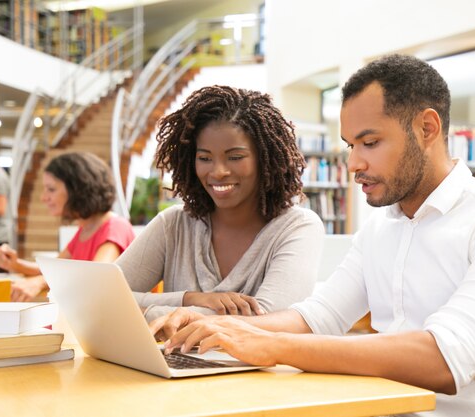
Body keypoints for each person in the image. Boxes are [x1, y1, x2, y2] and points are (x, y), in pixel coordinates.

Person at [150, 55, 475, 417]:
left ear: (427, 128)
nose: (353, 163)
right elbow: (318, 318)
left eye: (370, 143)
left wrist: (266, 343)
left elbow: (445, 360)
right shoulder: (381, 228)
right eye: (349, 145)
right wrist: (214, 328)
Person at [116, 85, 324, 323]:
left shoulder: (298, 227)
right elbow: (105, 297)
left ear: (266, 160)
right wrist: (189, 299)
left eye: (235, 157)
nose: (218, 171)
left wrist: (163, 314)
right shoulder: (173, 225)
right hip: (170, 361)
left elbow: (269, 319)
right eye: (204, 158)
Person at [0, 152, 135, 301]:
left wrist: (40, 282)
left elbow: (96, 277)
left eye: (51, 189)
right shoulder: (85, 229)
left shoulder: (116, 227)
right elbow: (53, 270)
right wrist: (14, 264)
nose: (44, 197)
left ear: (78, 190)